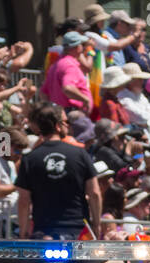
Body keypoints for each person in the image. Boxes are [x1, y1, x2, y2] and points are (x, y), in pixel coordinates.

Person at [17, 104, 101, 240]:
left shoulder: (29, 159)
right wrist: (97, 225)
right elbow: (95, 193)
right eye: (66, 122)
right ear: (57, 125)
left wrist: (23, 231)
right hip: (78, 230)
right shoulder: (80, 154)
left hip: (43, 230)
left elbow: (24, 200)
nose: (68, 126)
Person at [41, 32, 93, 114]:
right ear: (77, 47)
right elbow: (68, 88)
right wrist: (85, 99)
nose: (83, 48)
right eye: (82, 45)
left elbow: (43, 93)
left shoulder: (55, 65)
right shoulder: (69, 65)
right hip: (72, 113)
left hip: (62, 113)